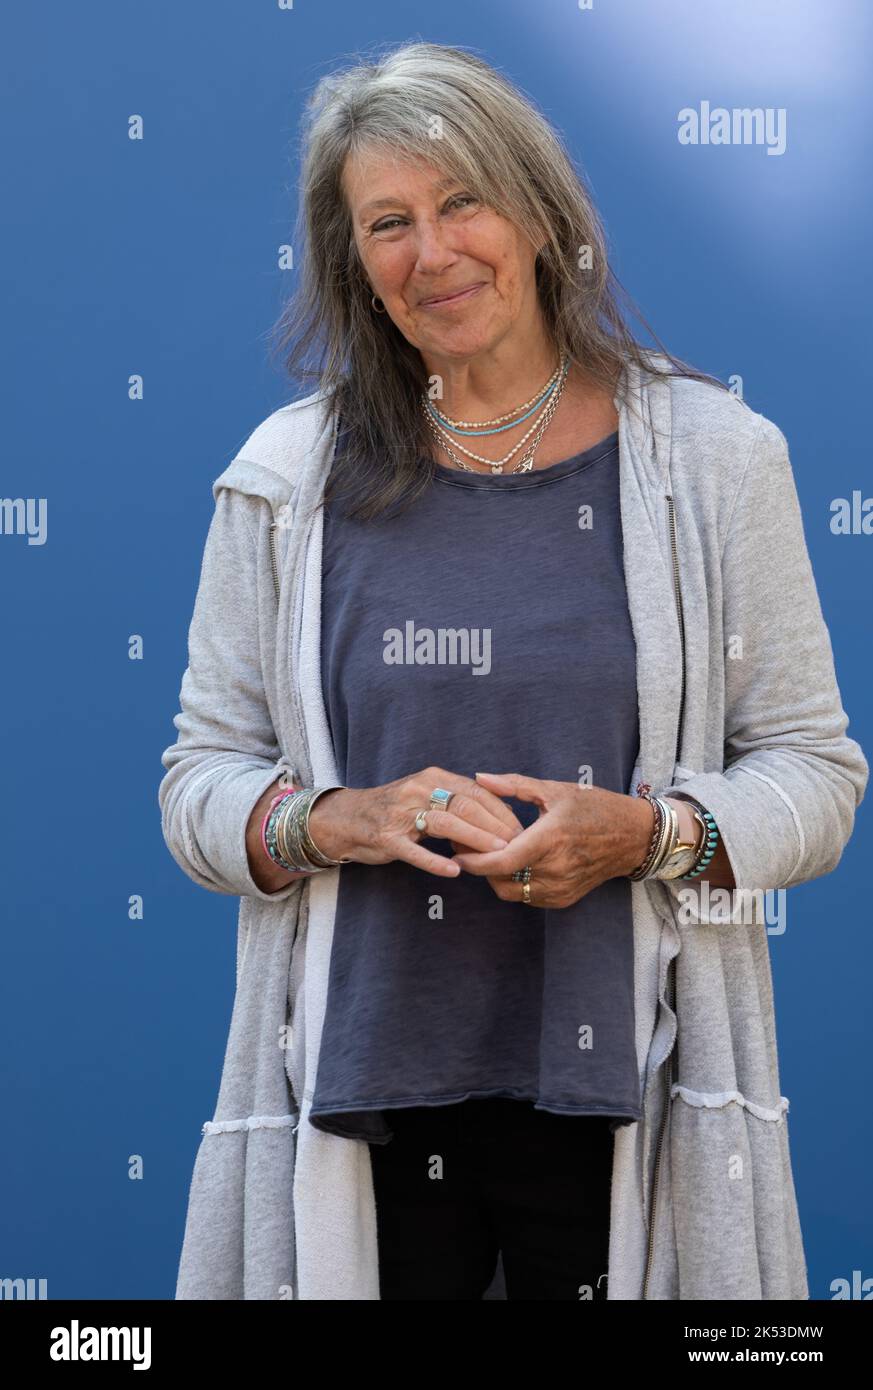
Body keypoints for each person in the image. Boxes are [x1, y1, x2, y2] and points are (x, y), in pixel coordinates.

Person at [158, 41, 868, 1301]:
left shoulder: (714, 460)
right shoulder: (283, 479)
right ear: (353, 264)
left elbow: (814, 773)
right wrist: (340, 820)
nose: (432, 253)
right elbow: (198, 788)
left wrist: (647, 835)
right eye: (389, 223)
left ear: (538, 215)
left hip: (624, 1090)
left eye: (462, 202)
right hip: (360, 1096)